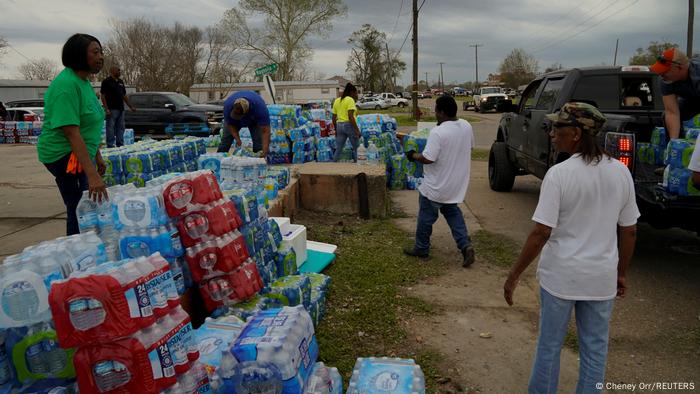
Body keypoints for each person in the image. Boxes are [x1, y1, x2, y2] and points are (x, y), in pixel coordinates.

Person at [503, 102, 639, 394]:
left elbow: (541, 232)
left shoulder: (560, 174)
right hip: (600, 279)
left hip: (561, 278)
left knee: (549, 344)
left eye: (557, 128)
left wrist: (514, 274)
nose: (552, 133)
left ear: (576, 133)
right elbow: (629, 230)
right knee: (595, 349)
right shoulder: (620, 173)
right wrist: (621, 273)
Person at [37, 33, 108, 236]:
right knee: (79, 209)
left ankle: (87, 246)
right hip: (64, 156)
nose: (100, 57)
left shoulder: (83, 82)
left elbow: (88, 125)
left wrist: (97, 156)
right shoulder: (66, 86)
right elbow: (71, 132)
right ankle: (79, 253)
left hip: (79, 153)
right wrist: (92, 174)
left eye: (101, 52)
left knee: (85, 204)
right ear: (78, 54)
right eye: (95, 52)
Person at [403, 95, 476, 267]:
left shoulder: (438, 132)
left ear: (442, 113)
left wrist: (413, 155)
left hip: (435, 186)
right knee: (453, 215)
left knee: (425, 218)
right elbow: (469, 147)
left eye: (436, 110)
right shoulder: (466, 126)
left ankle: (421, 248)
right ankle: (465, 246)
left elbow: (428, 158)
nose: (435, 113)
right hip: (454, 186)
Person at [650, 47, 700, 139]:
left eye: (665, 71)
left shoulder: (697, 73)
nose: (661, 74)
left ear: (679, 67)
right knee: (666, 115)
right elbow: (672, 112)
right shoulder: (665, 80)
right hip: (693, 99)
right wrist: (674, 142)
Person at [216, 90, 271, 157]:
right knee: (226, 140)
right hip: (233, 121)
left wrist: (265, 151)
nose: (237, 117)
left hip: (253, 120)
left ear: (246, 112)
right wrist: (237, 139)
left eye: (239, 116)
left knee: (258, 142)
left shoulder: (260, 108)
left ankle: (258, 160)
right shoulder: (228, 107)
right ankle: (219, 158)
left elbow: (265, 131)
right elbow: (230, 124)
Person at [100, 65, 135, 147]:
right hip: (111, 109)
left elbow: (124, 95)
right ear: (112, 71)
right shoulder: (106, 81)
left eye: (120, 70)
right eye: (118, 70)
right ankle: (110, 144)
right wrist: (106, 109)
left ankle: (120, 144)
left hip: (121, 109)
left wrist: (130, 106)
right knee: (110, 127)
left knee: (121, 127)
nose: (119, 72)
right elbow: (103, 95)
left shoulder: (121, 82)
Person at [332, 83, 361, 162]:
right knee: (356, 149)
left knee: (338, 149)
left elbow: (333, 118)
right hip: (349, 125)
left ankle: (332, 166)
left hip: (339, 125)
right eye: (356, 93)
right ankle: (358, 167)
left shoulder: (337, 100)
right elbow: (350, 116)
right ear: (351, 92)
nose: (356, 95)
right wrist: (357, 130)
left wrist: (336, 130)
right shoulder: (350, 100)